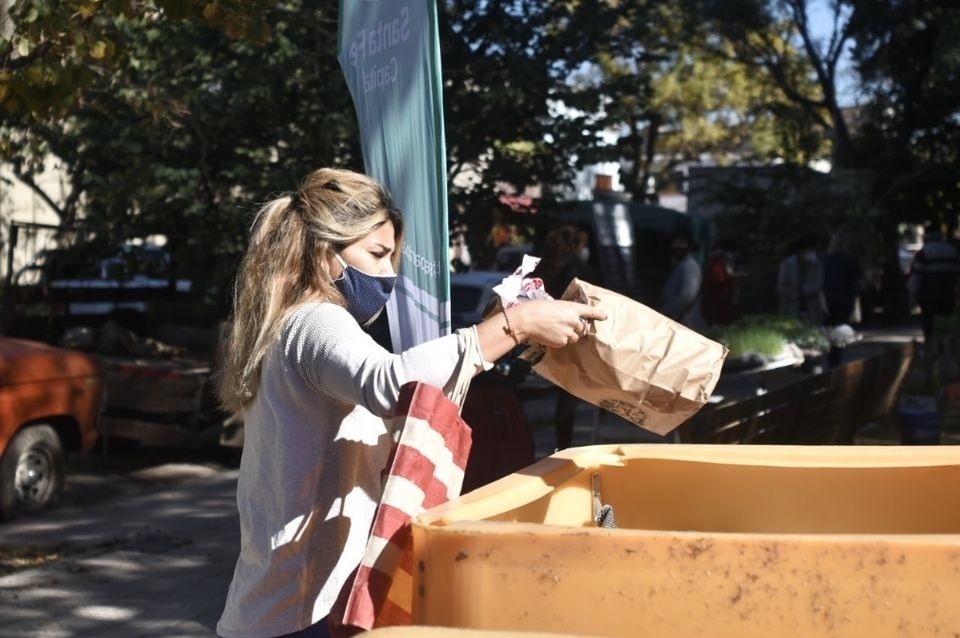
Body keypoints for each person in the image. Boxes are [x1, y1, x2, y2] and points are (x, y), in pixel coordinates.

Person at [215, 168, 606, 638]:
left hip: (292, 604)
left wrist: (495, 334)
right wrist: (514, 326)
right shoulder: (315, 321)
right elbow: (392, 383)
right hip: (299, 613)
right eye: (377, 255)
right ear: (325, 253)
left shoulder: (297, 323)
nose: (389, 274)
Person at [532, 224, 596, 449]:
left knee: (562, 391)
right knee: (570, 393)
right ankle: (566, 443)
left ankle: (561, 442)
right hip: (573, 332)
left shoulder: (546, 266)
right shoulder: (576, 268)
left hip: (548, 329)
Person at [908, 224, 960, 341]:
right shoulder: (951, 251)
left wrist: (912, 298)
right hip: (948, 295)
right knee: (946, 325)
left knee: (929, 326)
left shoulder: (924, 252)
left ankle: (931, 350)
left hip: (928, 296)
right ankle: (946, 349)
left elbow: (916, 278)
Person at [777, 234, 826, 326]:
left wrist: (802, 289)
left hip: (812, 310)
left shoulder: (816, 264)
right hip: (791, 307)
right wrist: (793, 291)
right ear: (801, 251)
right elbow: (781, 286)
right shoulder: (787, 264)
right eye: (810, 250)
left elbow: (819, 284)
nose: (812, 253)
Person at [660, 229, 704, 330]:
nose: (677, 246)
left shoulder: (690, 266)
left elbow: (687, 295)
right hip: (679, 322)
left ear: (690, 246)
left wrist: (668, 313)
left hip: (686, 322)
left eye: (681, 243)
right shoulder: (680, 266)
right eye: (675, 243)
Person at [821, 231, 865, 327]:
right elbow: (857, 280)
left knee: (829, 324)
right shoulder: (850, 260)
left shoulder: (824, 259)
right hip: (846, 297)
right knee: (843, 324)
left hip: (828, 296)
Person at [700, 239, 741, 327]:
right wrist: (733, 277)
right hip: (717, 300)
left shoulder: (722, 261)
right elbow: (719, 279)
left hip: (723, 300)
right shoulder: (716, 262)